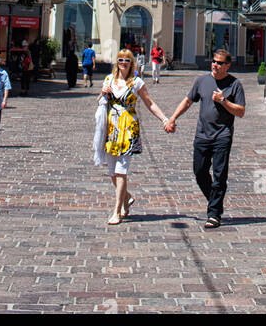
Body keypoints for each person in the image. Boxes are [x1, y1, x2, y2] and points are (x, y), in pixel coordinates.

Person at [165, 49, 245, 229]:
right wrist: (173, 118)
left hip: (222, 136)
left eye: (219, 63)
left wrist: (223, 101)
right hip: (202, 134)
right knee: (199, 172)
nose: (215, 65)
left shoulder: (235, 84)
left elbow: (240, 111)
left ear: (227, 65)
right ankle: (215, 202)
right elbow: (188, 101)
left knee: (219, 175)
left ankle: (214, 213)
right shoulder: (202, 81)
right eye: (214, 62)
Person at [94, 49, 170, 225]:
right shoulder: (108, 80)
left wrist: (164, 119)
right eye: (120, 59)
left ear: (132, 63)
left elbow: (149, 103)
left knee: (121, 170)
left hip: (128, 129)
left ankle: (117, 210)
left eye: (126, 60)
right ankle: (127, 197)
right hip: (111, 129)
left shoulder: (136, 83)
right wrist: (103, 92)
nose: (123, 62)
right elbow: (99, 102)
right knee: (112, 172)